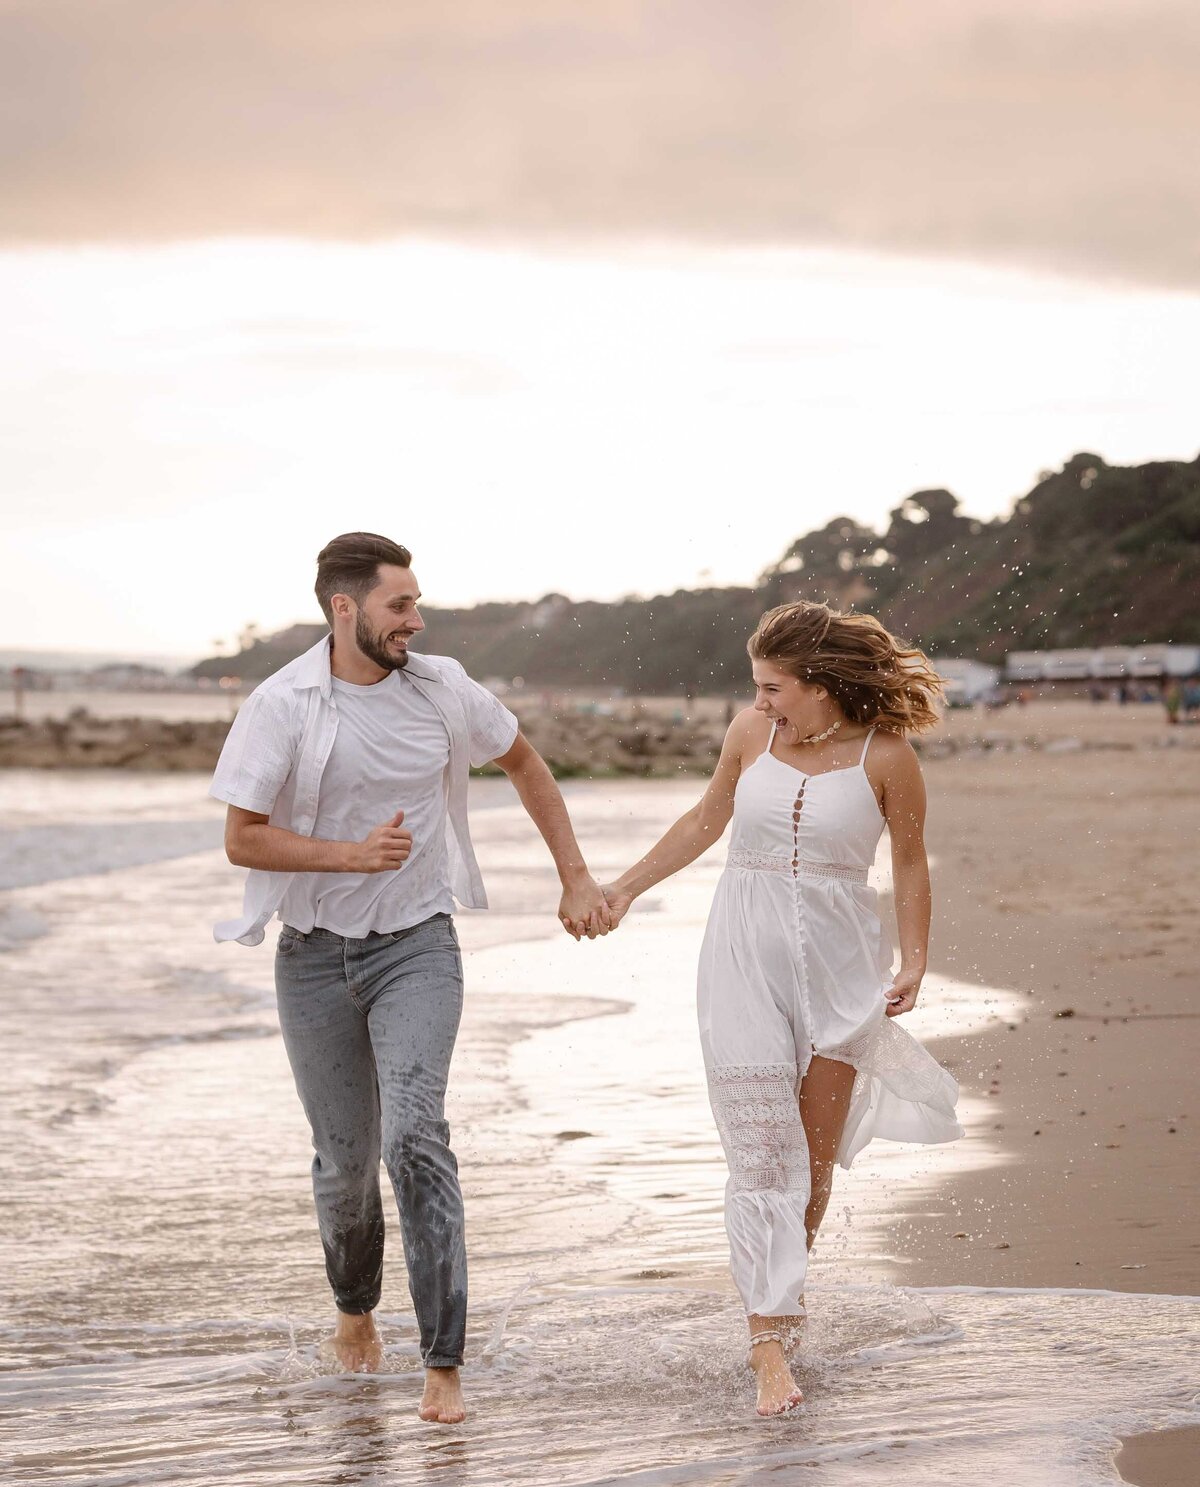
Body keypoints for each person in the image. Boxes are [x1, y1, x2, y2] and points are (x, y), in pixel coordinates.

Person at [209, 532, 610, 1423]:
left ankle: (443, 1366)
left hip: (418, 946)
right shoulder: (282, 704)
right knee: (345, 1166)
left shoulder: (444, 688)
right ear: (345, 608)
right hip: (312, 959)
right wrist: (347, 858)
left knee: (415, 1139)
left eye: (417, 602)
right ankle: (355, 1315)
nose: (416, 621)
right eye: (400, 604)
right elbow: (243, 837)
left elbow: (526, 763)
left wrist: (573, 875)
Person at [603, 602, 961, 1417]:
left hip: (840, 970)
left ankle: (782, 1318)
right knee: (764, 1152)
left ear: (821, 684)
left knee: (811, 1160)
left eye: (773, 688)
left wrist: (915, 959)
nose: (762, 702)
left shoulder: (888, 757)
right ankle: (767, 1343)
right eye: (757, 688)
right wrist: (625, 887)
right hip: (741, 959)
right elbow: (704, 820)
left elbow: (909, 863)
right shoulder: (748, 736)